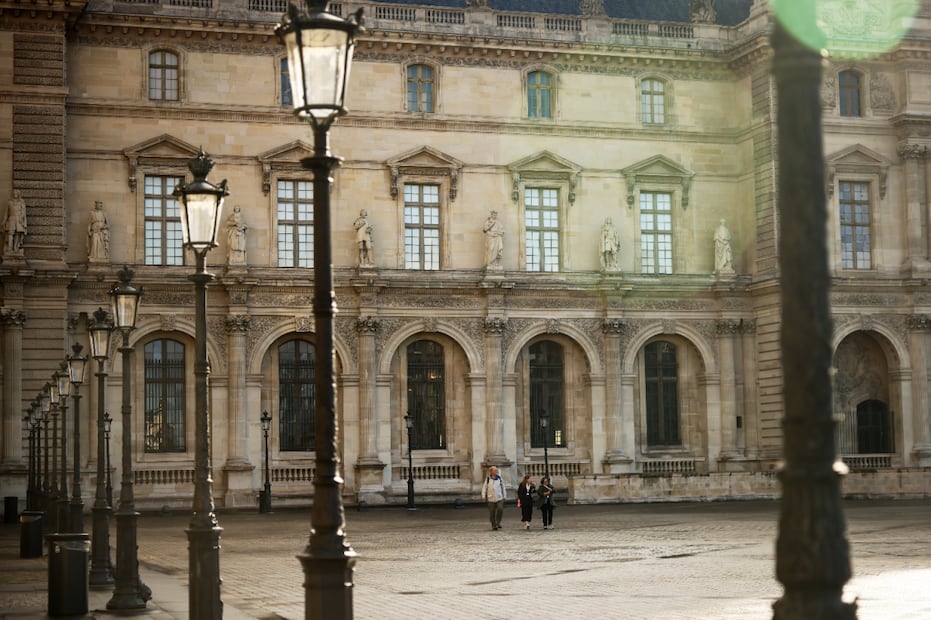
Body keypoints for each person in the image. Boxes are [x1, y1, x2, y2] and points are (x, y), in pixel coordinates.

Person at [481, 465, 507, 530]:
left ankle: (498, 522)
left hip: (499, 497)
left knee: (500, 509)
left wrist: (505, 495)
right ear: (491, 471)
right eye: (495, 470)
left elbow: (503, 487)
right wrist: (483, 496)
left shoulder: (500, 478)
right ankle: (493, 525)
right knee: (492, 512)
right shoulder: (488, 479)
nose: (496, 471)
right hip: (491, 498)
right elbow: (484, 488)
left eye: (496, 470)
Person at [4, 189, 27, 255]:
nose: (15, 194)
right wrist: (4, 221)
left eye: (16, 193)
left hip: (19, 219)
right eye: (14, 193)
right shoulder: (9, 202)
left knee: (17, 233)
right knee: (10, 233)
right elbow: (6, 213)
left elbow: (23, 212)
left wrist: (22, 218)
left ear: (18, 194)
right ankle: (9, 248)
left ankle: (15, 247)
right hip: (11, 219)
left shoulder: (21, 202)